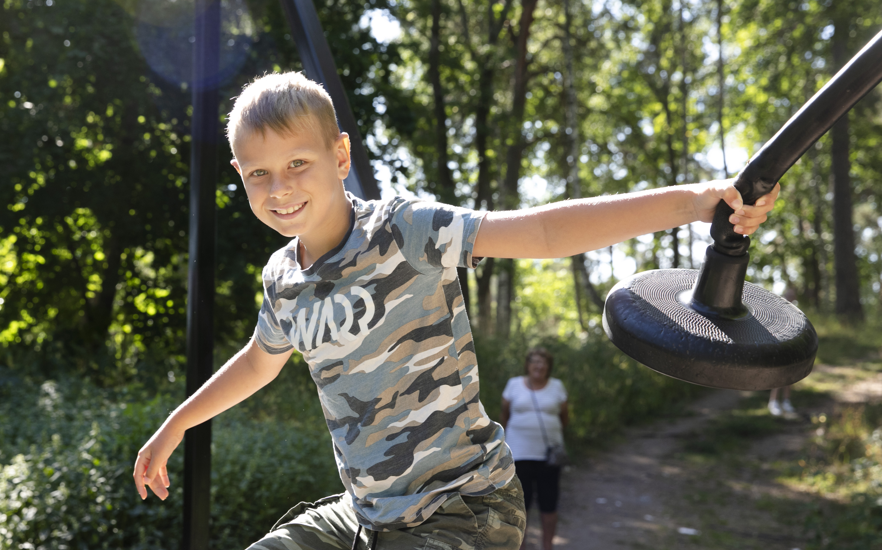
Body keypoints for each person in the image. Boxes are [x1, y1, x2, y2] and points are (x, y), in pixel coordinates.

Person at [132, 71, 779, 550]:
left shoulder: (404, 230)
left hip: (465, 509)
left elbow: (545, 234)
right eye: (257, 174)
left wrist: (698, 200)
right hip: (366, 515)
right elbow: (257, 363)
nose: (278, 190)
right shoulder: (283, 280)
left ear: (339, 157)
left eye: (297, 163)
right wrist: (175, 426)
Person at [500, 348, 568, 550]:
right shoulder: (513, 384)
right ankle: (521, 546)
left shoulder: (557, 386)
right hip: (518, 455)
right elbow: (505, 415)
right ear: (528, 365)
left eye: (544, 362)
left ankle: (548, 546)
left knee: (549, 506)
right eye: (535, 362)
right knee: (521, 507)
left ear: (549, 367)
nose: (539, 366)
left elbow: (564, 418)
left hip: (549, 457)